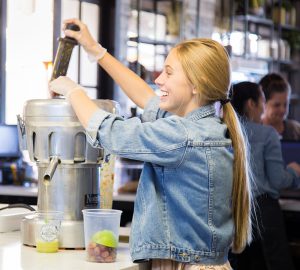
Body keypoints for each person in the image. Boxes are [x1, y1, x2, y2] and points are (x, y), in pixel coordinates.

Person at [49, 18, 253, 270]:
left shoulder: (183, 134)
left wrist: (73, 91)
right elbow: (146, 98)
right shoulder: (202, 127)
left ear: (196, 84)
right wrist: (97, 51)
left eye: (168, 72)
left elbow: (112, 132)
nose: (158, 79)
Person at [230, 81, 300, 270]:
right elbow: (278, 180)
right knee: (276, 264)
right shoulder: (267, 134)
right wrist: (294, 171)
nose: (263, 108)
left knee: (244, 264)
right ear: (252, 104)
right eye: (262, 102)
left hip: (233, 209)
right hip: (265, 208)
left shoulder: (225, 132)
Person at [259, 73, 300, 141]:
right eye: (277, 105)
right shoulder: (254, 132)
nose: (282, 110)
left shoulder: (296, 130)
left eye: (286, 104)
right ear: (263, 103)